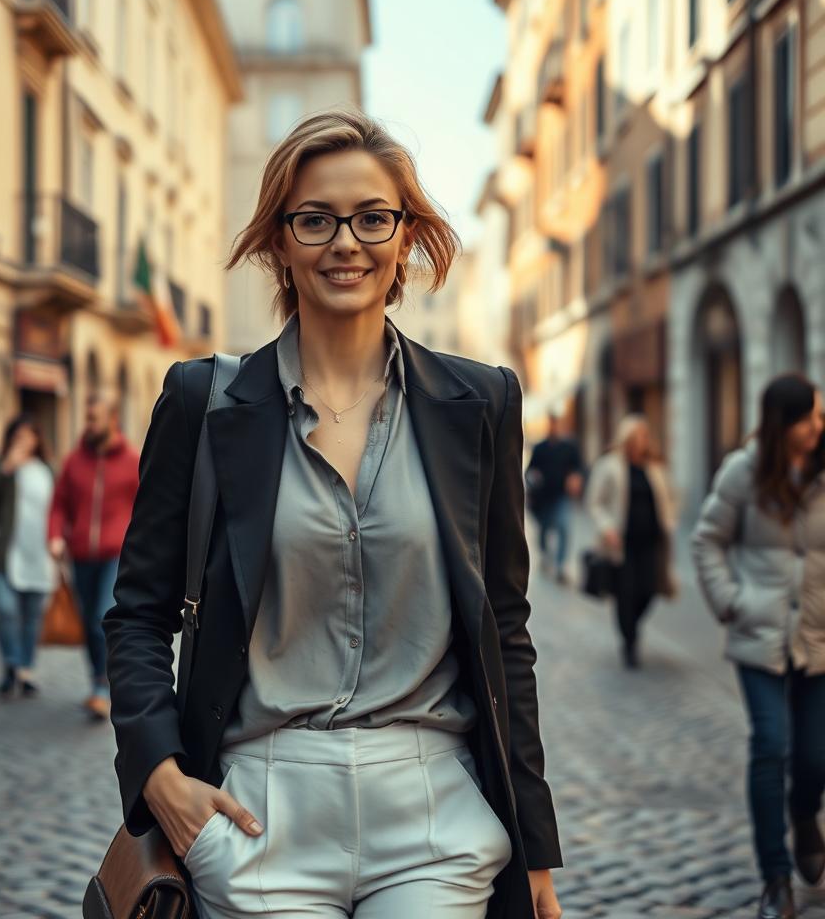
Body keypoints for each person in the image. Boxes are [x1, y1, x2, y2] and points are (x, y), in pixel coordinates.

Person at [104, 109, 562, 919]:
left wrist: (534, 851)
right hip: (260, 806)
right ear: (280, 241)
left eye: (371, 217)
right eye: (315, 219)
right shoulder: (201, 402)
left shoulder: (480, 402)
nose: (345, 242)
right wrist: (159, 774)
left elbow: (505, 628)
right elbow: (138, 613)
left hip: (432, 809)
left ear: (406, 237)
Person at [692, 374, 825, 919]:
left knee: (815, 758)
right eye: (810, 417)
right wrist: (733, 602)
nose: (819, 425)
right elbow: (707, 541)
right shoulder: (743, 472)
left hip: (817, 637)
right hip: (759, 636)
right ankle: (775, 879)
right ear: (782, 423)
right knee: (771, 747)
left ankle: (803, 815)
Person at [48, 393, 139, 720]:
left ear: (112, 419)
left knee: (103, 617)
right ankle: (96, 679)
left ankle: (103, 687)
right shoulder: (75, 460)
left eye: (93, 418)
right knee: (88, 621)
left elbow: (147, 507)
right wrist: (55, 535)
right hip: (81, 553)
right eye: (86, 418)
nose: (88, 424)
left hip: (117, 553)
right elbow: (59, 503)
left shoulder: (132, 460)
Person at [0, 415, 54, 699]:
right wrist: (6, 468)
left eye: (29, 436)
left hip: (38, 554)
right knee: (7, 610)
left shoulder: (47, 470)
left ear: (37, 440)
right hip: (4, 554)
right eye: (18, 436)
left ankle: (25, 669)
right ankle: (10, 663)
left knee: (31, 615)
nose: (23, 442)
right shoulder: (0, 466)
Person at [585, 414, 677, 668]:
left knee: (649, 591)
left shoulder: (655, 467)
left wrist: (671, 521)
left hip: (651, 542)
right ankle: (630, 642)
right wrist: (607, 528)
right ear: (625, 439)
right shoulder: (609, 465)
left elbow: (669, 497)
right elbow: (595, 502)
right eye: (635, 437)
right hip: (621, 544)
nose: (640, 442)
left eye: (644, 437)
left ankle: (631, 626)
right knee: (625, 593)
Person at [526, 413, 583, 584]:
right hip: (543, 498)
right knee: (544, 530)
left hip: (562, 496)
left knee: (564, 527)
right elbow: (530, 471)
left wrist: (575, 478)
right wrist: (533, 477)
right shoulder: (540, 448)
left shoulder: (569, 447)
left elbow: (578, 468)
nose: (554, 427)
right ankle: (545, 555)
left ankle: (560, 567)